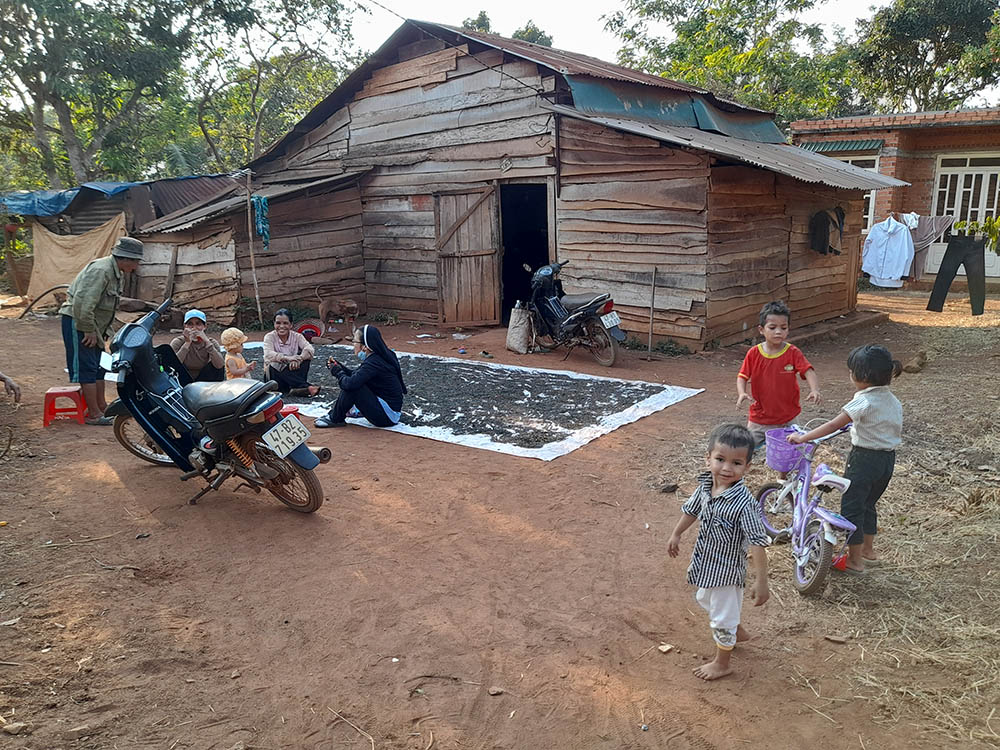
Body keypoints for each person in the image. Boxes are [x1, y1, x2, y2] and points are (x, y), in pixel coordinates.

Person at [668, 424, 770, 681]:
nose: (727, 468)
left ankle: (722, 662)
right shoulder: (705, 487)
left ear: (747, 467)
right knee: (704, 599)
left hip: (726, 571)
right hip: (706, 564)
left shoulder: (744, 503)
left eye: (736, 463)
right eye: (720, 459)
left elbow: (757, 541)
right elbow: (692, 510)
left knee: (721, 618)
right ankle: (736, 628)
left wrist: (761, 581)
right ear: (708, 458)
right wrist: (677, 533)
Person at [789, 345, 903, 575]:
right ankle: (869, 551)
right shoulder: (893, 400)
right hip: (887, 461)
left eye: (851, 371)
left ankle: (855, 561)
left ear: (862, 376)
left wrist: (804, 437)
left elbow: (833, 424)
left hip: (864, 459)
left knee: (852, 507)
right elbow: (880, 423)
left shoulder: (863, 401)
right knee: (869, 504)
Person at [59, 236, 144, 425]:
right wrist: (87, 329)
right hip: (79, 321)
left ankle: (101, 407)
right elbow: (83, 302)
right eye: (136, 261)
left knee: (98, 367)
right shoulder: (101, 270)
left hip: (94, 325)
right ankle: (94, 414)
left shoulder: (116, 273)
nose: (137, 266)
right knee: (87, 367)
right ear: (126, 259)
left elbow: (107, 305)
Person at [736, 300, 821, 448]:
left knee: (793, 449)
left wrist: (814, 390)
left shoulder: (793, 352)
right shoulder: (754, 353)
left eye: (783, 327)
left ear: (788, 329)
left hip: (788, 418)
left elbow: (808, 370)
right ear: (761, 330)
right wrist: (742, 393)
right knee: (746, 449)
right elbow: (742, 376)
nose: (778, 332)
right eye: (772, 327)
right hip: (759, 419)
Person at [315, 324, 406, 428]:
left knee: (353, 387)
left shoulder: (374, 363)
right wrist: (339, 367)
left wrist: (338, 372)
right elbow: (358, 375)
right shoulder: (381, 356)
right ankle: (336, 415)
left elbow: (350, 384)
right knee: (354, 383)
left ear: (365, 347)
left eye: (355, 342)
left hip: (387, 417)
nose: (353, 345)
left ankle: (335, 419)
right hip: (389, 411)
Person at [263, 309, 320, 397]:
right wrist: (288, 358)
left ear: (291, 325)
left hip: (292, 372)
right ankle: (304, 386)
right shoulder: (269, 337)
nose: (281, 326)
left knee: (306, 358)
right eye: (278, 323)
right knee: (274, 364)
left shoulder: (297, 336)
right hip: (275, 379)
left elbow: (310, 349)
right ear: (274, 324)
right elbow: (268, 354)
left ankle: (297, 389)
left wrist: (299, 358)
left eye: (285, 323)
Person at [165, 310, 225, 384]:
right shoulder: (178, 342)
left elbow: (220, 366)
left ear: (204, 326)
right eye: (190, 324)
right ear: (185, 326)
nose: (194, 328)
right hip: (183, 378)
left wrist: (207, 343)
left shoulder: (212, 342)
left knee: (216, 366)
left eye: (198, 324)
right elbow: (172, 366)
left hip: (203, 378)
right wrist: (187, 343)